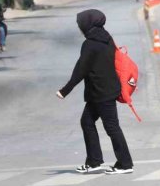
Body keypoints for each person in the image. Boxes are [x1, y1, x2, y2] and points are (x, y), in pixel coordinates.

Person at [57, 9, 134, 175]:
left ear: (87, 24)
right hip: (102, 91)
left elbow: (81, 70)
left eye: (80, 24)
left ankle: (125, 163)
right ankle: (94, 161)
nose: (79, 28)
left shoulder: (90, 44)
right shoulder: (107, 38)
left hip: (102, 93)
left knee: (112, 127)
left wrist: (65, 90)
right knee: (87, 122)